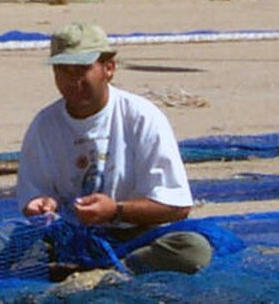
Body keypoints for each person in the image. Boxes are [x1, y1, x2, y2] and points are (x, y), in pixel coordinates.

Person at [16, 23, 212, 275]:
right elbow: (34, 196)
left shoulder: (141, 116)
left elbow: (177, 206)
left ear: (108, 69)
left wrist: (115, 210)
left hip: (133, 237)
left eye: (82, 69)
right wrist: (41, 204)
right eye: (63, 71)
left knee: (192, 249)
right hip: (68, 238)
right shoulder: (44, 124)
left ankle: (112, 273)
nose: (73, 81)